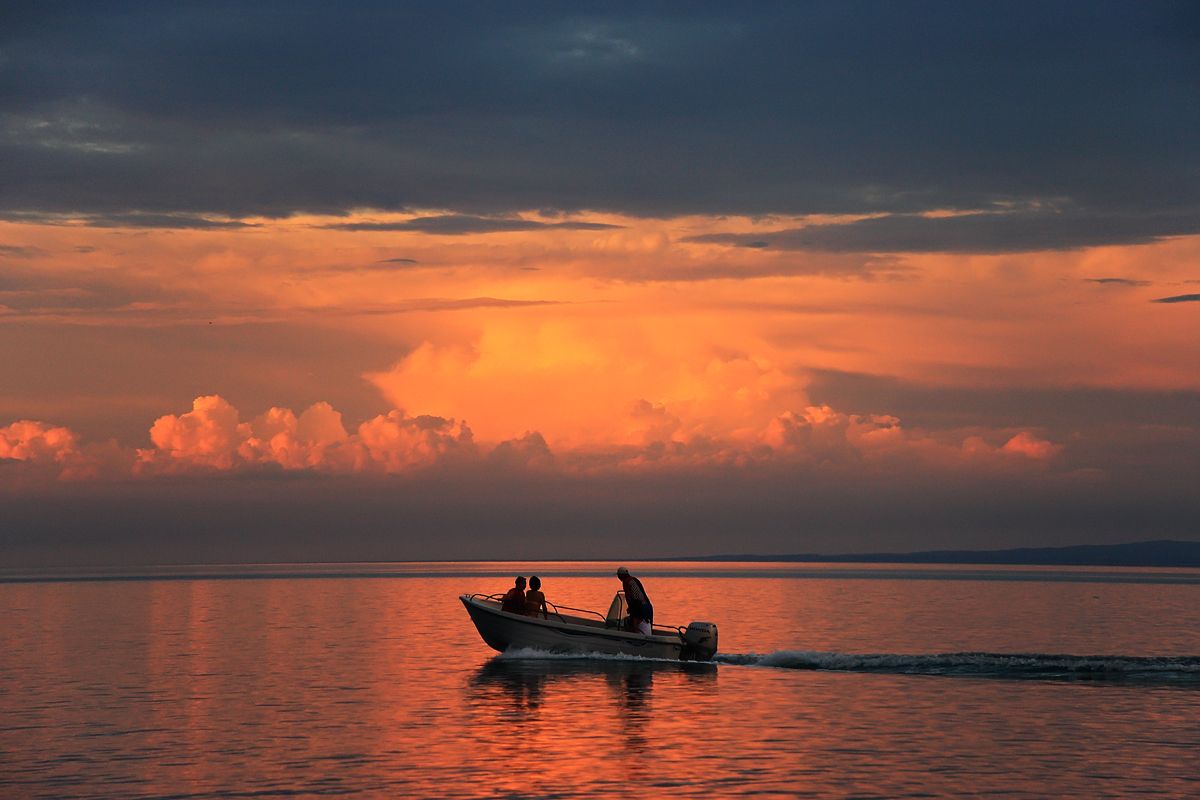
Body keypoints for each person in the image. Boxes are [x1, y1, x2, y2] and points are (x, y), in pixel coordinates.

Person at [616, 566, 653, 635]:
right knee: (644, 624)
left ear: (621, 575)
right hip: (645, 606)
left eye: (618, 575)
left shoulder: (627, 582)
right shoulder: (633, 580)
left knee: (636, 624)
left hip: (640, 606)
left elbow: (635, 598)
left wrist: (632, 608)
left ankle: (636, 638)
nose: (618, 577)